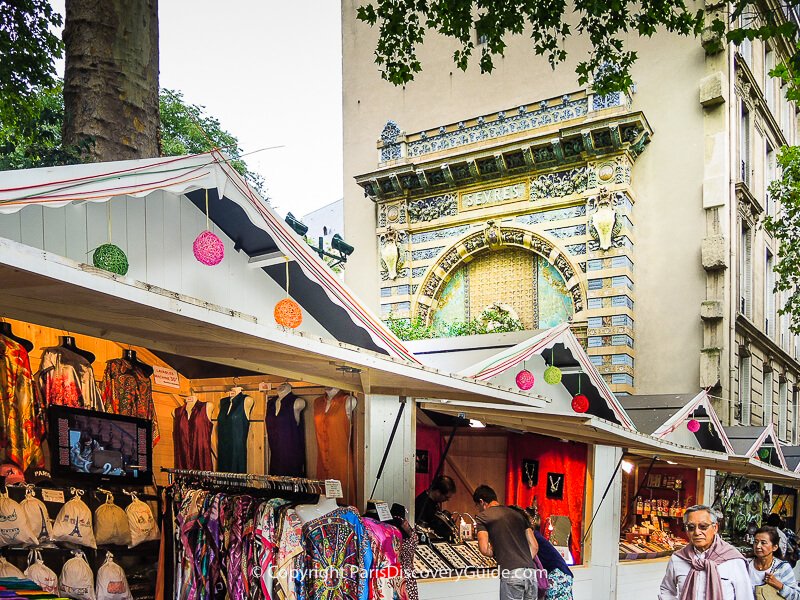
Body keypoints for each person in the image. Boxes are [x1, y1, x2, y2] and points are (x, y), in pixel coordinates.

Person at [659, 504, 751, 600]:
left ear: (715, 528)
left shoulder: (733, 560)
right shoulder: (678, 558)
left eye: (703, 526)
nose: (697, 532)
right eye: (691, 527)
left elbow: (745, 596)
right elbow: (667, 589)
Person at [473, 485, 539, 600]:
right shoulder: (518, 514)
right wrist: (523, 560)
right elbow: (534, 546)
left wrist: (500, 553)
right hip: (531, 574)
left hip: (511, 573)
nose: (478, 509)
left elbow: (484, 549)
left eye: (477, 506)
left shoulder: (483, 517)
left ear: (482, 501)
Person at [748, 526, 800, 599]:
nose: (758, 546)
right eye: (756, 542)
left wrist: (780, 586)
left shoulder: (782, 568)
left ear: (774, 547)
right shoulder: (746, 565)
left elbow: (797, 596)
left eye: (763, 543)